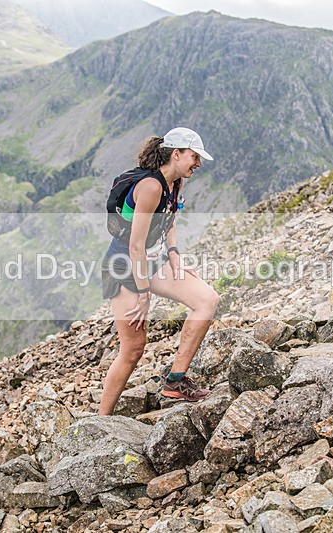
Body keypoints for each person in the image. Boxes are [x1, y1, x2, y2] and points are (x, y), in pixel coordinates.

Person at [98, 127, 220, 415]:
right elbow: (136, 245)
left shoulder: (175, 182)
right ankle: (100, 420)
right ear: (175, 154)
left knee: (207, 300)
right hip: (124, 266)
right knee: (133, 350)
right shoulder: (151, 187)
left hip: (152, 260)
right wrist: (143, 293)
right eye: (194, 157)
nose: (198, 164)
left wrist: (174, 254)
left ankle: (175, 382)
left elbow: (171, 219)